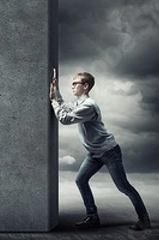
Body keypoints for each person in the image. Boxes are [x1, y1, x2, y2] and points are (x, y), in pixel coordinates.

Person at [49, 69, 151, 231]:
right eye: (72, 83)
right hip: (95, 154)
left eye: (76, 83)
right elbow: (64, 105)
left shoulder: (88, 106)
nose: (72, 86)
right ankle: (93, 218)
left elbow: (65, 119)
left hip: (109, 152)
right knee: (81, 180)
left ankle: (144, 220)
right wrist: (55, 90)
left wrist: (53, 101)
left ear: (86, 86)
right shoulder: (79, 104)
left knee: (124, 187)